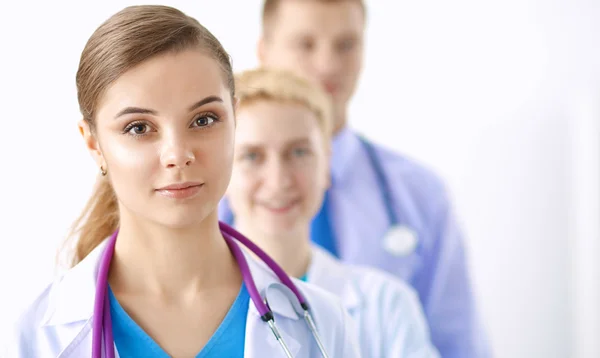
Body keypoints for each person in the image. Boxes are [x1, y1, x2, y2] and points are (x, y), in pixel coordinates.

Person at [2, 5, 361, 358]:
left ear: (235, 120)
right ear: (94, 144)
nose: (178, 153)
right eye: (139, 128)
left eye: (204, 120)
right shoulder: (31, 339)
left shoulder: (322, 324)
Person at [218, 0, 492, 356]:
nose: (328, 65)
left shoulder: (418, 194)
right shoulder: (211, 188)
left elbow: (460, 342)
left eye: (346, 45)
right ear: (264, 50)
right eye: (306, 44)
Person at [226, 67, 441, 358]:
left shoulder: (385, 304)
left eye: (299, 152)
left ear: (326, 163)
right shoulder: (186, 304)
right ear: (221, 167)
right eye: (252, 156)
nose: (278, 181)